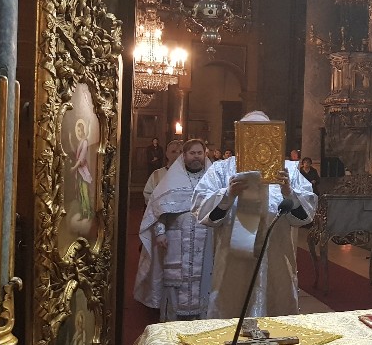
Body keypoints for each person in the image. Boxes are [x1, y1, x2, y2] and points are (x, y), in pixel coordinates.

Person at [193, 111, 317, 318]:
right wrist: (227, 194)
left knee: (275, 311)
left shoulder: (287, 170)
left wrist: (289, 192)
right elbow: (202, 209)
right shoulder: (222, 169)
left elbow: (305, 216)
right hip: (234, 260)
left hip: (276, 254)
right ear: (240, 135)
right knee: (233, 310)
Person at [135, 139, 214, 321]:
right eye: (192, 153)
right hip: (176, 239)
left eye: (199, 153)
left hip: (206, 240)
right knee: (175, 279)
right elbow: (158, 210)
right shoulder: (171, 179)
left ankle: (201, 321)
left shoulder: (212, 179)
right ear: (184, 156)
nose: (196, 157)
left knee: (204, 278)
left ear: (205, 155)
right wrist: (160, 232)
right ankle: (172, 321)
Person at [143, 139, 183, 204]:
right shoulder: (156, 175)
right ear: (167, 154)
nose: (177, 155)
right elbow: (148, 194)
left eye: (180, 152)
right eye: (173, 152)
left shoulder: (189, 174)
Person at [69, 119, 94, 219]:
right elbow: (75, 153)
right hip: (79, 171)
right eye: (78, 130)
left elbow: (81, 158)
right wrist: (70, 140)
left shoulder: (85, 142)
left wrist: (74, 168)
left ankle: (89, 213)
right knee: (81, 193)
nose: (79, 132)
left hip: (83, 170)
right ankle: (84, 213)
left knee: (85, 192)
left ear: (83, 130)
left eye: (80, 130)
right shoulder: (80, 142)